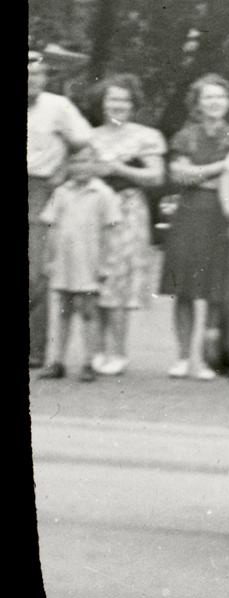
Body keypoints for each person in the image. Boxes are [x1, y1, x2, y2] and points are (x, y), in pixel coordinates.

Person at [162, 75, 229, 380]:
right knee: (183, 289)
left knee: (215, 290)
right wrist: (222, 168)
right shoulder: (186, 136)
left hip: (222, 215)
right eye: (208, 97)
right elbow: (179, 176)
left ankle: (207, 359)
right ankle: (182, 357)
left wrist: (198, 174)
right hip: (189, 214)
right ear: (197, 103)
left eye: (220, 97)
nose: (214, 103)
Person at [86, 74, 166, 376]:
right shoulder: (89, 135)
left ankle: (118, 351)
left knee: (118, 278)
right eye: (111, 99)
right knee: (95, 278)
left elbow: (157, 176)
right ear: (102, 103)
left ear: (133, 104)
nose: (117, 105)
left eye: (123, 100)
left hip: (128, 208)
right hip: (94, 211)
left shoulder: (145, 136)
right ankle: (96, 350)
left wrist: (118, 167)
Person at [28, 48, 93, 367]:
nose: (31, 79)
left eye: (36, 73)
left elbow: (84, 143)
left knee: (36, 271)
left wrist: (63, 172)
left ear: (44, 77)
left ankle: (35, 350)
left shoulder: (59, 107)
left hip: (39, 190)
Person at [36, 153, 118, 382]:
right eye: (76, 162)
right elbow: (51, 227)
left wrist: (106, 263)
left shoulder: (102, 193)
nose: (81, 167)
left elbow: (110, 232)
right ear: (69, 166)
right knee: (62, 310)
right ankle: (58, 361)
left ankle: (88, 361)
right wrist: (49, 259)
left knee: (88, 310)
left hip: (89, 261)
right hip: (64, 261)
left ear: (95, 165)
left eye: (86, 162)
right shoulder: (61, 192)